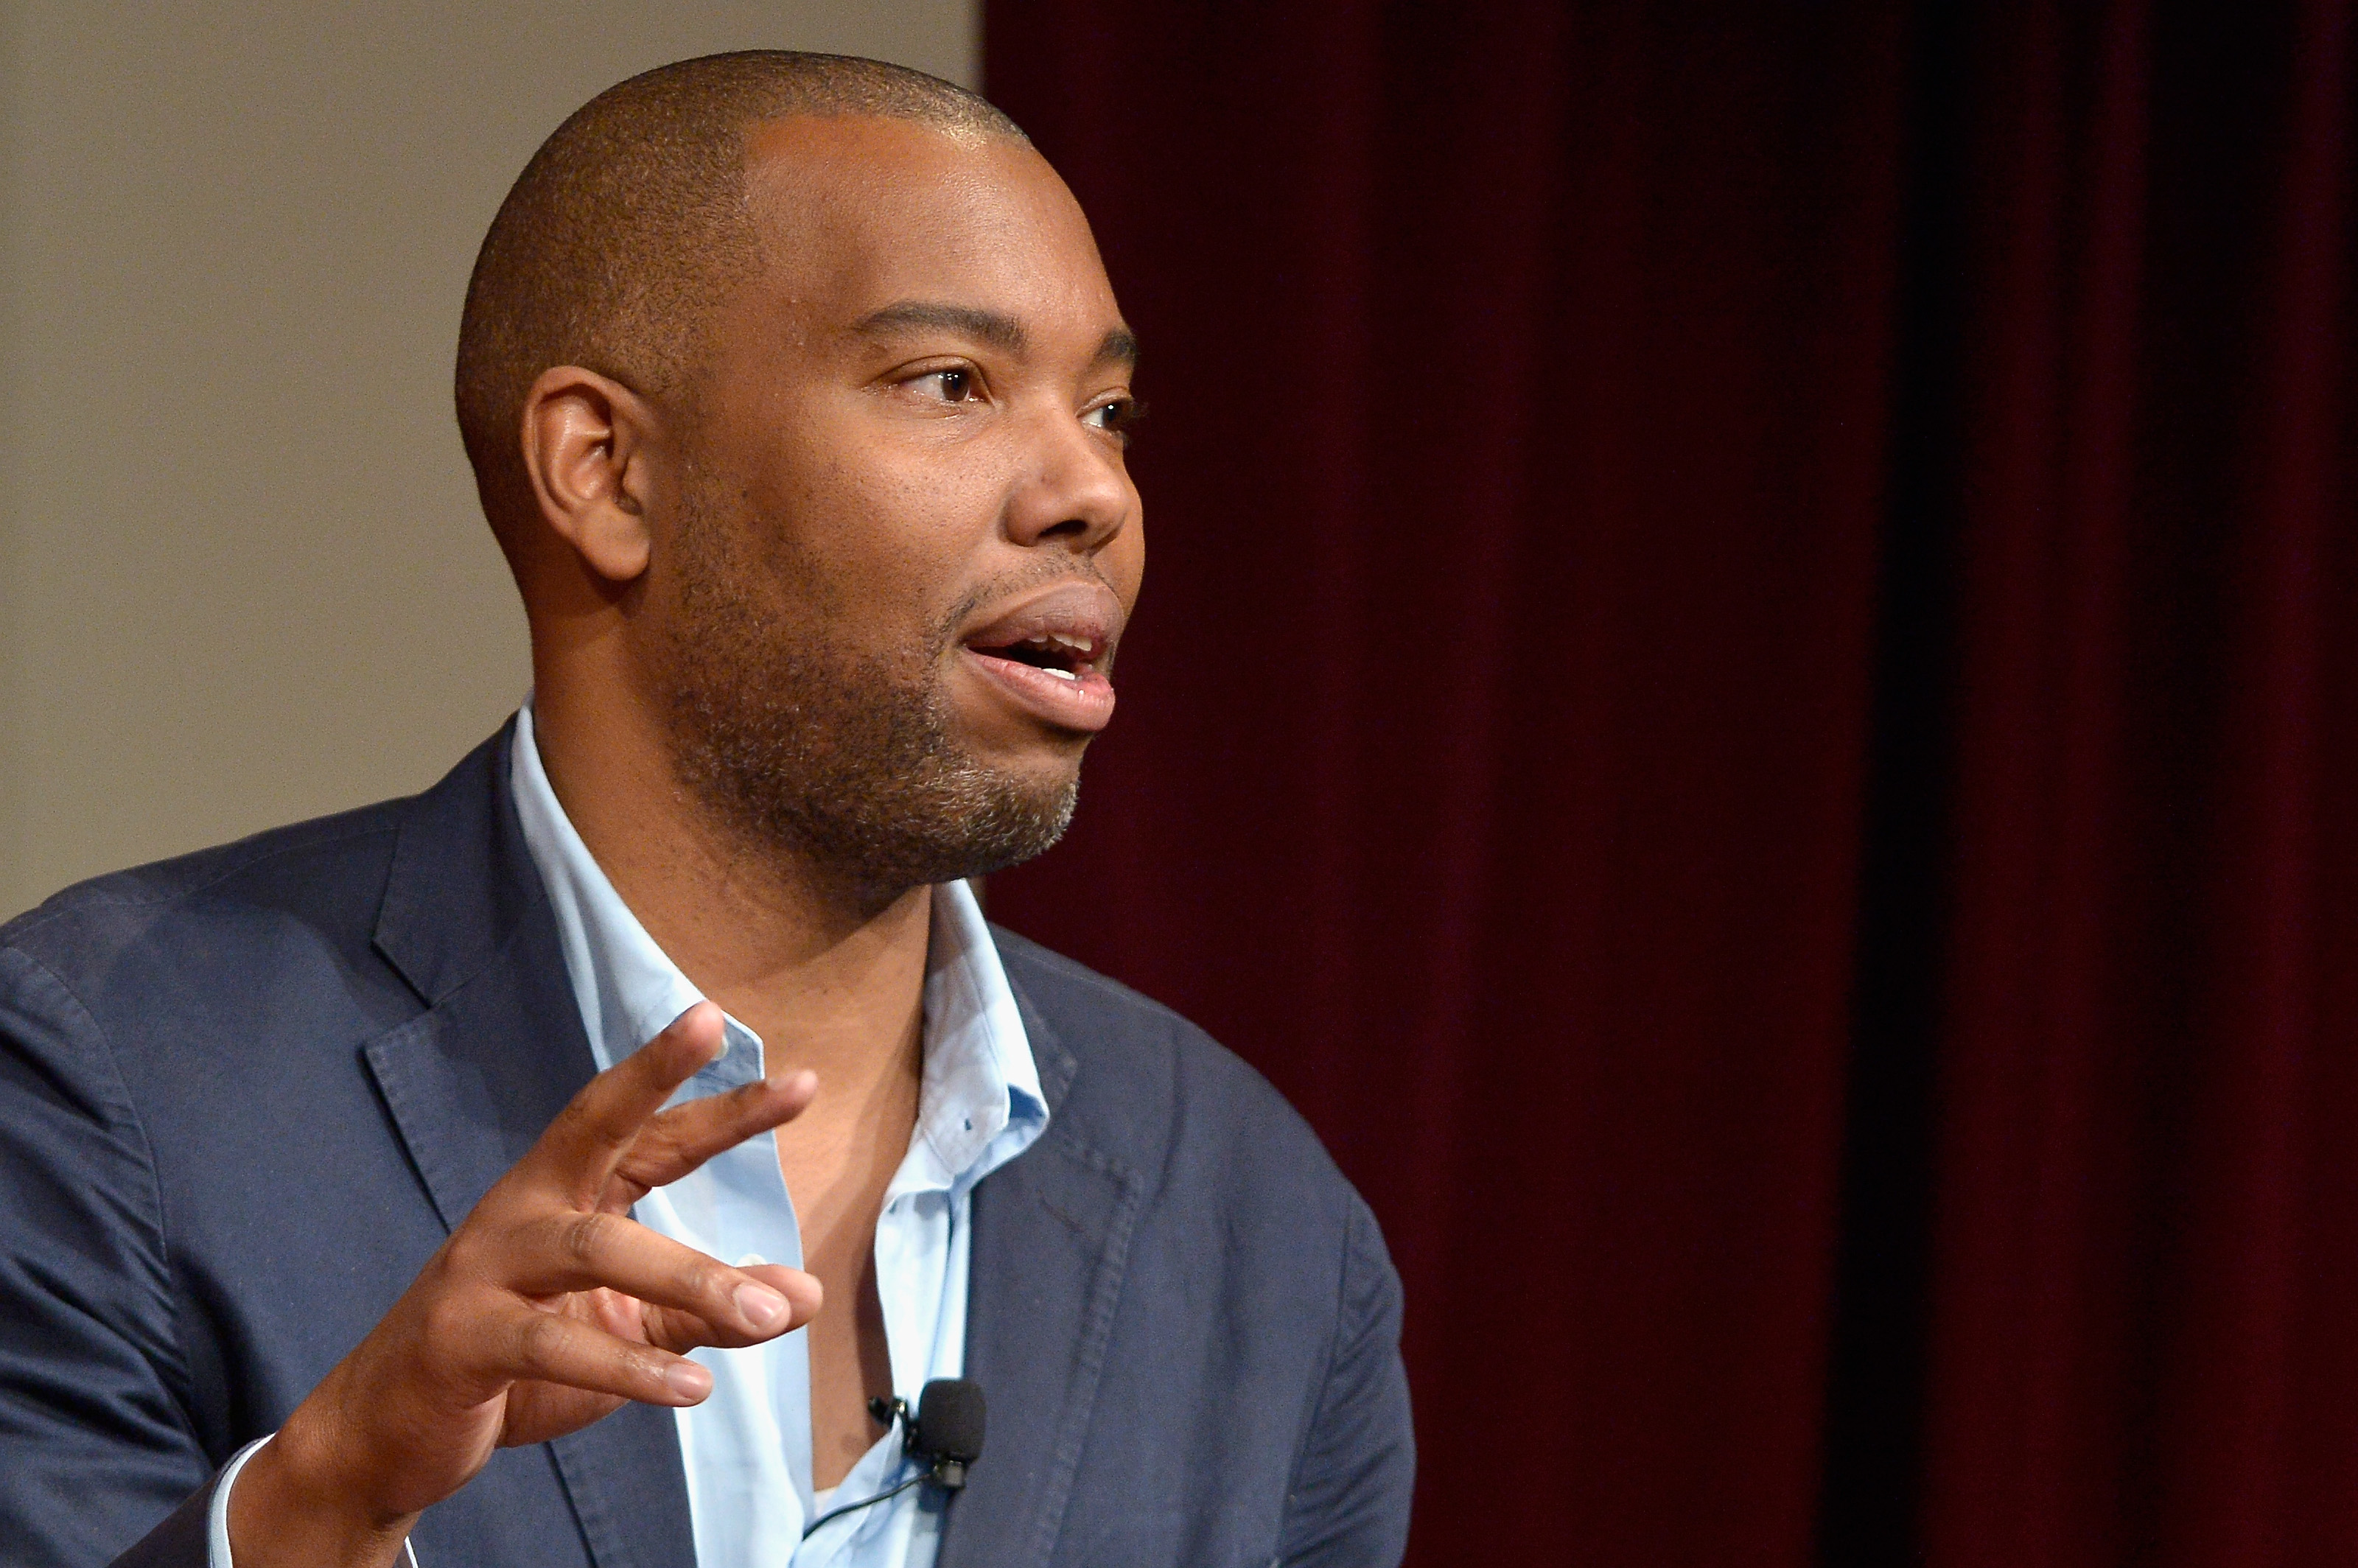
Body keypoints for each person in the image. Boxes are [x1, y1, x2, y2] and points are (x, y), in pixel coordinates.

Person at [0, 51, 1413, 1568]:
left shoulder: (1258, 1221)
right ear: (606, 472)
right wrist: (319, 1504)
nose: (1094, 491)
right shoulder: (114, 1077)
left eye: (1112, 407)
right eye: (952, 381)